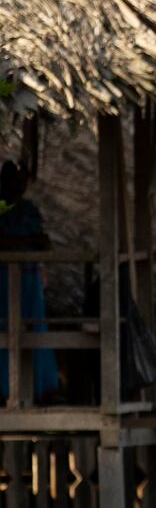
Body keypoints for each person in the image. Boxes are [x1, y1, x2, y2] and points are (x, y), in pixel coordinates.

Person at [0, 160, 57, 402]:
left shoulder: (29, 210)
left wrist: (39, 242)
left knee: (35, 327)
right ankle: (5, 389)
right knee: (4, 329)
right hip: (3, 281)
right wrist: (28, 241)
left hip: (29, 280)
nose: (19, 188)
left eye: (22, 183)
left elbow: (45, 243)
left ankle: (40, 387)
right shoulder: (1, 209)